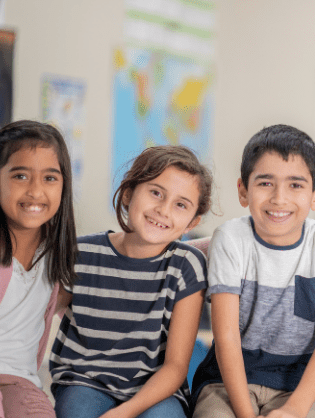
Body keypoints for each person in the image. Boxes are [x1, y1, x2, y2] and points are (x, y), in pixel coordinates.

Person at [190, 125, 315, 418]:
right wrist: (245, 414)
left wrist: (294, 409)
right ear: (243, 190)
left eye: (295, 185)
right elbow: (226, 335)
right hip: (227, 383)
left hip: (299, 387)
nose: (280, 198)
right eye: (265, 183)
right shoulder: (230, 238)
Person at [49, 145, 212, 418]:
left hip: (159, 388)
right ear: (128, 194)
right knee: (76, 411)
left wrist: (123, 413)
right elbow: (40, 314)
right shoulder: (81, 254)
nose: (163, 209)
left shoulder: (187, 265)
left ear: (191, 222)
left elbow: (175, 367)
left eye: (180, 204)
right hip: (84, 381)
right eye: (156, 193)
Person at [0, 120, 78, 418]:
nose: (36, 190)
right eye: (21, 175)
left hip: (20, 383)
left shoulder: (58, 249)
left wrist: (212, 244)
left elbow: (125, 255)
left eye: (50, 178)